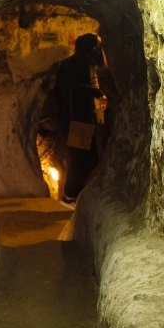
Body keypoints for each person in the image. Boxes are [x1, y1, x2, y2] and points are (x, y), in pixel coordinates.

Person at [54, 33, 107, 204]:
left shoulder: (72, 63)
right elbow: (76, 88)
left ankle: (72, 194)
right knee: (84, 158)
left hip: (72, 117)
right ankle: (70, 194)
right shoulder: (82, 63)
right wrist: (98, 93)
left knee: (81, 157)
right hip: (79, 118)